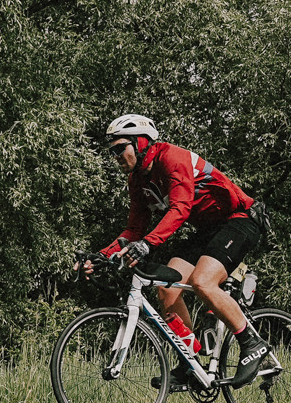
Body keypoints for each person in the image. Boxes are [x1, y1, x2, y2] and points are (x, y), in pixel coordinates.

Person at [87, 114, 274, 380]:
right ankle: (190, 363)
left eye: (120, 148)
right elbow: (134, 229)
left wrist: (147, 244)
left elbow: (181, 208)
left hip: (240, 219)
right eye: (112, 151)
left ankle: (252, 344)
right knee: (166, 286)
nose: (115, 156)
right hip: (209, 229)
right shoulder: (137, 181)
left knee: (202, 282)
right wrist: (101, 256)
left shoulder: (171, 158)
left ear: (140, 143)